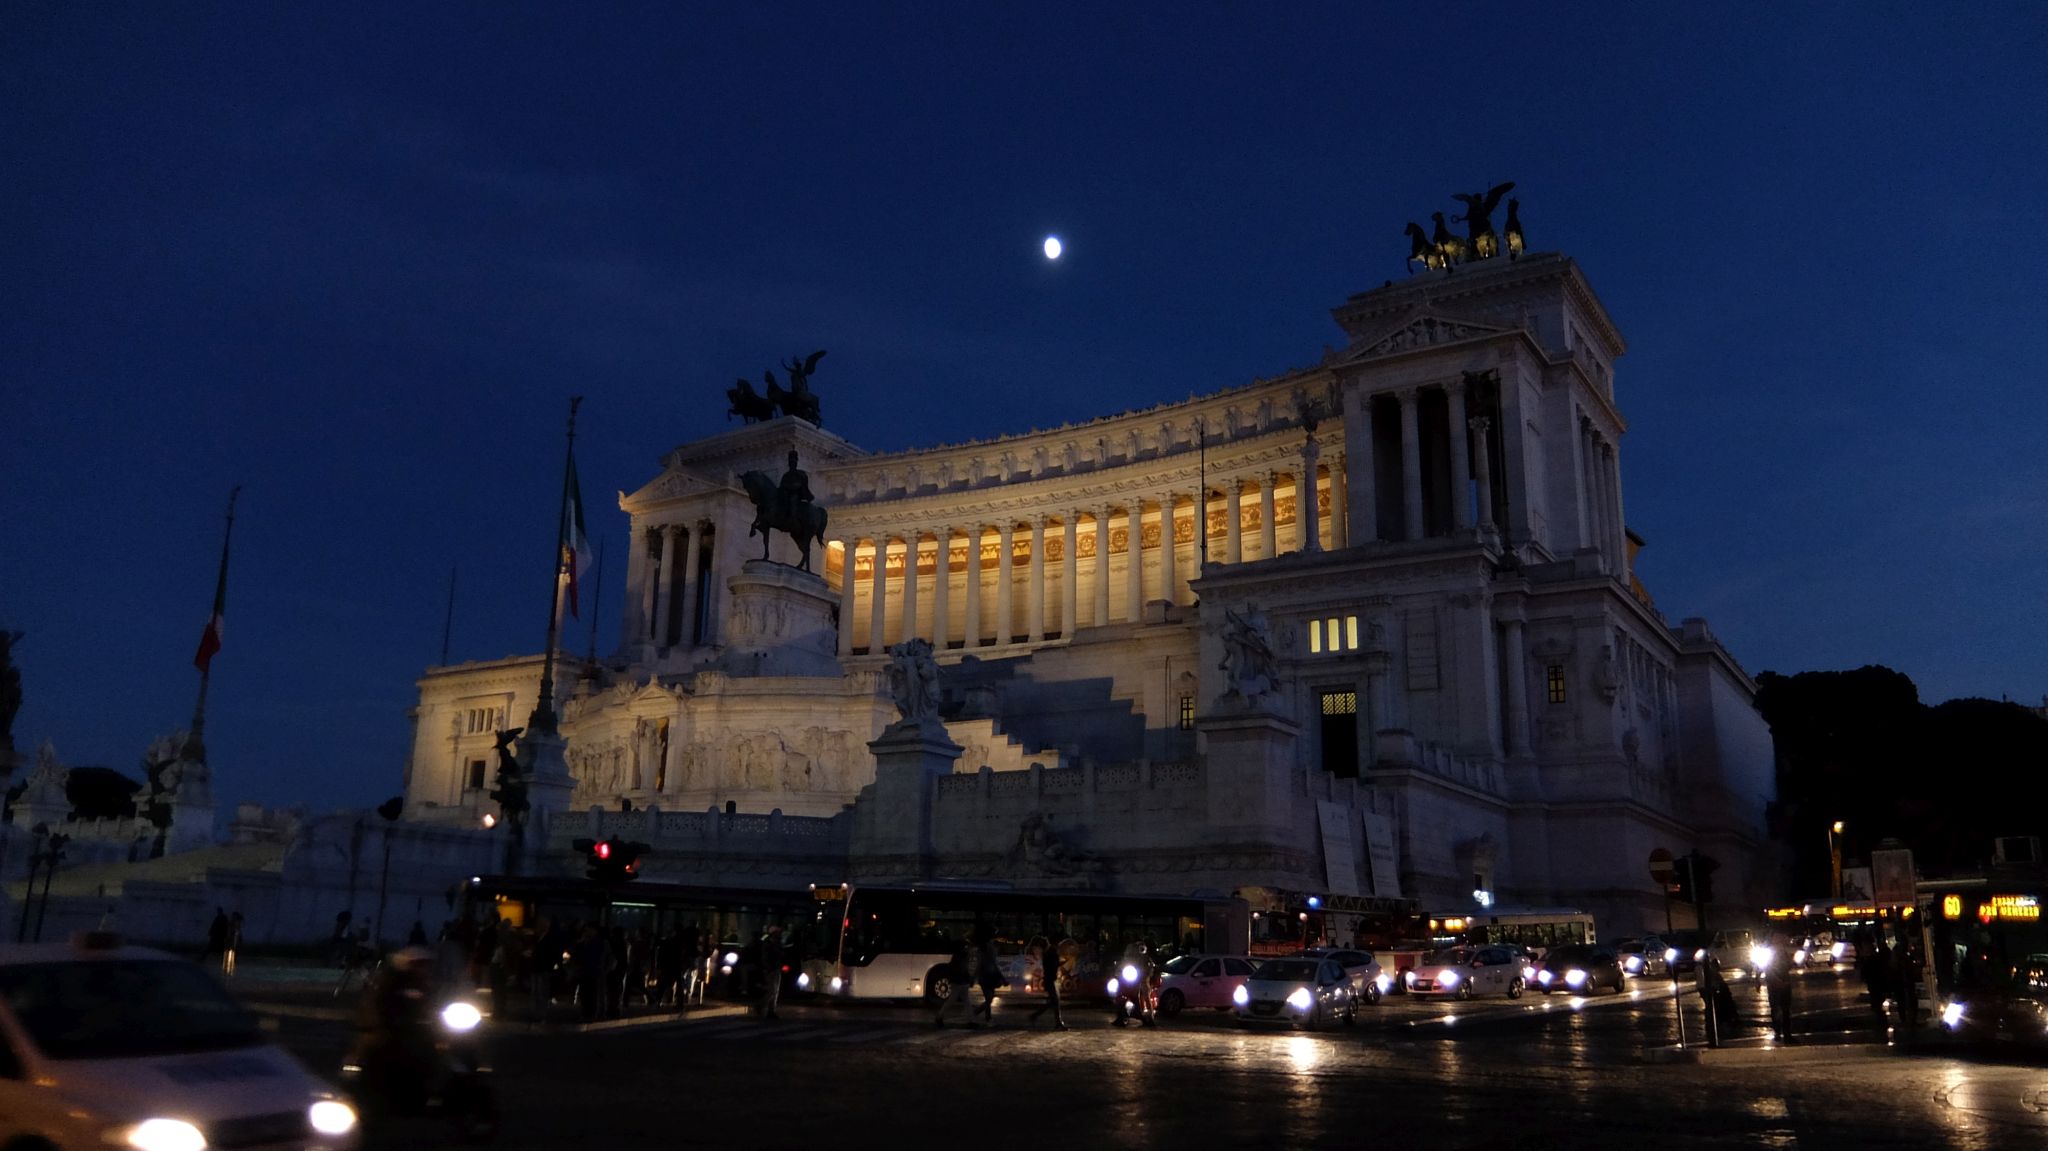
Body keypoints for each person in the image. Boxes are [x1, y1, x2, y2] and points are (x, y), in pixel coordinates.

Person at [1027, 936, 1070, 1031]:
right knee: (1055, 1001)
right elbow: (1054, 964)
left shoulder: (1047, 953)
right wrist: (1063, 962)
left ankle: (1036, 1016)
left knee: (1053, 1001)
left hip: (1049, 979)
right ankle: (1057, 1023)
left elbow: (1052, 965)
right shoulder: (1050, 951)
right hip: (1051, 979)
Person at [934, 936, 973, 1028]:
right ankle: (940, 1016)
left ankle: (940, 1016)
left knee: (960, 1000)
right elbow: (964, 969)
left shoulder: (957, 956)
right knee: (962, 1001)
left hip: (958, 981)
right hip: (960, 981)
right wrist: (968, 978)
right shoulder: (962, 956)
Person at [1763, 930, 1794, 1042]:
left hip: (1783, 982)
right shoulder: (1771, 952)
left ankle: (1784, 1033)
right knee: (1778, 1009)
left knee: (1784, 1009)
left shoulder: (1782, 951)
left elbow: (1788, 966)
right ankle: (1780, 1032)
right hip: (1776, 984)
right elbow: (1768, 969)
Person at [974, 930, 1005, 1022]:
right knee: (989, 999)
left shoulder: (982, 948)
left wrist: (974, 977)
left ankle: (987, 1016)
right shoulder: (991, 948)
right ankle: (976, 1012)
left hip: (984, 977)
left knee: (988, 997)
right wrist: (1002, 978)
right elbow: (993, 964)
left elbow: (979, 964)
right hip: (989, 977)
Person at [759, 925, 786, 1021]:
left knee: (775, 991)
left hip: (776, 968)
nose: (780, 934)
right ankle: (762, 1006)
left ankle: (771, 1010)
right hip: (771, 969)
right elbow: (766, 958)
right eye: (778, 933)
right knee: (772, 990)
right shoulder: (768, 944)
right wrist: (768, 968)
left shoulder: (776, 943)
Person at [221, 912, 243, 977]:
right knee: (229, 949)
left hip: (234, 937)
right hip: (231, 937)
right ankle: (229, 960)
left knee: (234, 949)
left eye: (234, 916)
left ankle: (233, 960)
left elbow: (237, 930)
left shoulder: (236, 922)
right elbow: (231, 930)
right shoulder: (232, 922)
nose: (233, 917)